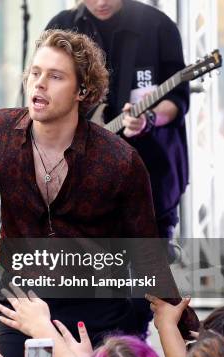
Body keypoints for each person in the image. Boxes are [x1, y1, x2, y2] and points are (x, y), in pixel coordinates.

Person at [0, 29, 196, 357]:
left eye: (55, 77)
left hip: (94, 308)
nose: (39, 84)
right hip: (23, 299)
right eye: (35, 73)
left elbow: (147, 256)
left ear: (83, 91)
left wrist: (192, 335)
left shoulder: (119, 162)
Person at [46, 0, 190, 241]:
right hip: (85, 191)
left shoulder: (158, 26)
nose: (101, 3)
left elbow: (178, 100)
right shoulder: (62, 28)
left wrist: (150, 118)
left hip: (151, 182)